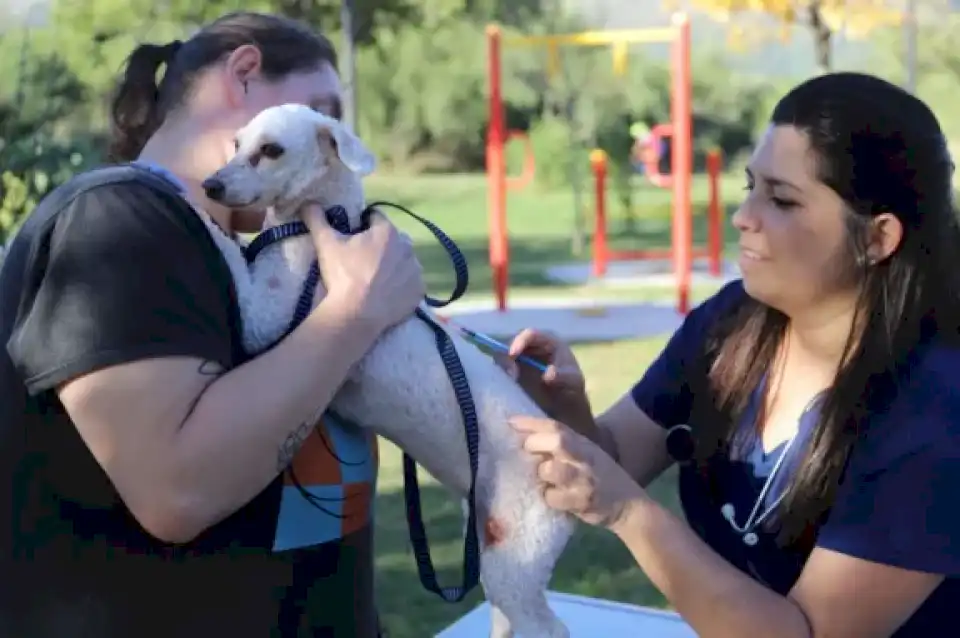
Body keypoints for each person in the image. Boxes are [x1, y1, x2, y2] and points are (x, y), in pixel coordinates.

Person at [0, 11, 424, 638]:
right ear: (244, 74)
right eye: (321, 112)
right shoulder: (115, 221)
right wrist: (354, 313)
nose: (334, 143)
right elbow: (179, 491)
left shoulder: (254, 258)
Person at [501, 72, 959, 636]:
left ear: (877, 238)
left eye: (782, 199)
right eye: (751, 187)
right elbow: (617, 458)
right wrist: (564, 409)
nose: (744, 216)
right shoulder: (729, 324)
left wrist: (628, 513)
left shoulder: (932, 415)